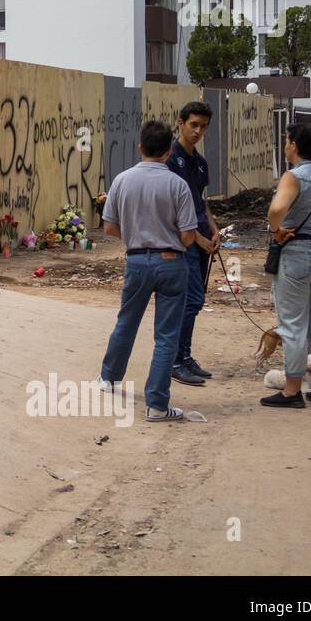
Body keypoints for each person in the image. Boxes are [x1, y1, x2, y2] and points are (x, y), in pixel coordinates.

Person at [96, 120, 200, 423]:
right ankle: (156, 405)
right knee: (167, 336)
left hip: (137, 261)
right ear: (169, 151)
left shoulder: (122, 181)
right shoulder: (178, 185)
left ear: (140, 147)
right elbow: (188, 235)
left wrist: (136, 236)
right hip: (171, 263)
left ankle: (109, 378)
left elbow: (109, 227)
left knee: (126, 322)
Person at [262, 123, 311, 409]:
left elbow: (276, 209)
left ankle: (291, 390)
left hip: (295, 253)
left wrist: (275, 230)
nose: (285, 144)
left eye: (286, 140)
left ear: (293, 145)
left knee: (292, 325)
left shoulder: (293, 176)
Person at [166, 101, 221, 387]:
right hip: (182, 240)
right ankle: (175, 361)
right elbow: (171, 210)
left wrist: (212, 228)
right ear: (181, 123)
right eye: (194, 125)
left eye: (203, 126)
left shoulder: (199, 162)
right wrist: (196, 237)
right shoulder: (170, 159)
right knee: (190, 300)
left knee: (195, 303)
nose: (198, 131)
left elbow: (201, 201)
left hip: (201, 240)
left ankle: (185, 356)